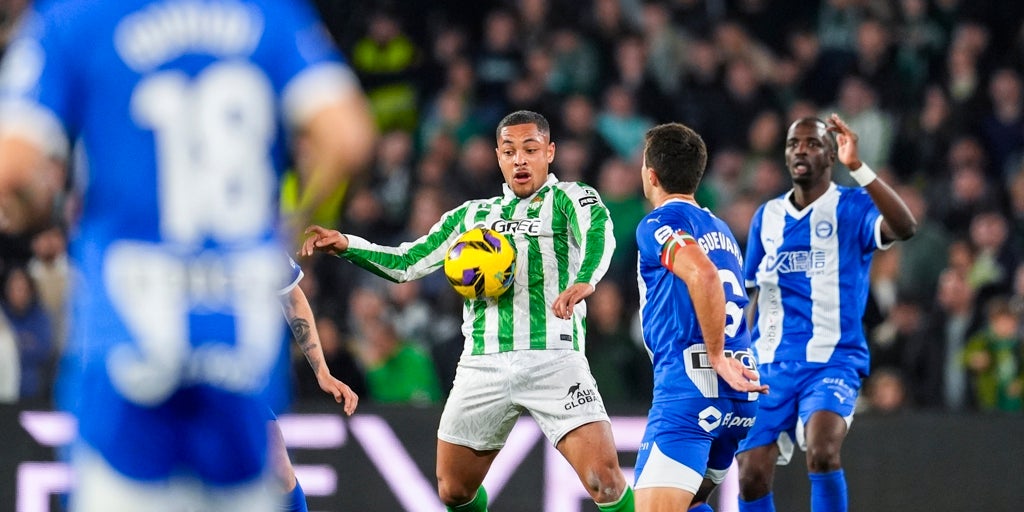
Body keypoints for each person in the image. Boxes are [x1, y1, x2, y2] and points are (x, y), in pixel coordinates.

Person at [0, 1, 375, 510]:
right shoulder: (267, 15)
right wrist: (288, 224)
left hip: (129, 335)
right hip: (233, 341)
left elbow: (13, 166)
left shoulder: (75, 19)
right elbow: (348, 137)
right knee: (267, 473)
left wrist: (43, 216)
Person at [302, 110, 635, 512]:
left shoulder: (570, 197)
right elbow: (409, 261)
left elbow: (599, 231)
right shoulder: (471, 216)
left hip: (554, 358)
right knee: (453, 489)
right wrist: (348, 245)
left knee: (605, 480)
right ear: (498, 156)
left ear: (550, 152)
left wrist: (586, 278)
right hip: (483, 363)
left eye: (530, 150)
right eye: (510, 151)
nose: (520, 160)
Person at [736, 114, 917, 512]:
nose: (801, 149)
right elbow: (749, 295)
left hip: (832, 361)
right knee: (750, 475)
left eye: (813, 143)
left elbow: (904, 227)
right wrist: (737, 356)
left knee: (821, 451)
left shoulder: (852, 207)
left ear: (832, 155)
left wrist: (860, 168)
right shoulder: (766, 217)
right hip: (769, 365)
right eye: (792, 143)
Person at [633, 122, 768, 512]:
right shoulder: (721, 227)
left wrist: (715, 354)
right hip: (738, 395)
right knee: (691, 504)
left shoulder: (658, 223)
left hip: (691, 390)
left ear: (651, 174)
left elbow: (703, 274)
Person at [271, 257, 360, 512]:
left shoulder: (252, 234)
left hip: (235, 375)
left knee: (279, 470)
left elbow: (293, 297)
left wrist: (322, 371)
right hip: (165, 376)